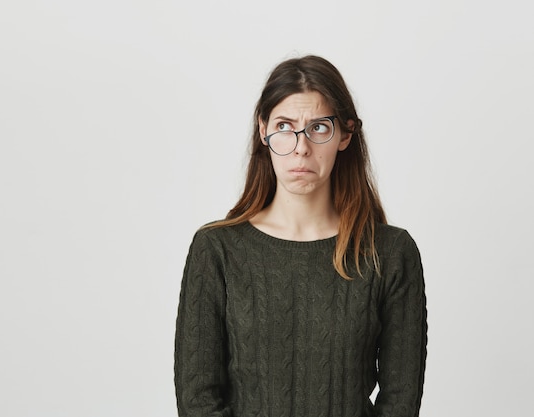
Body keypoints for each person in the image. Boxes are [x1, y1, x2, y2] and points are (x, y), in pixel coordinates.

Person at [174, 55, 427, 417]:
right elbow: (197, 401)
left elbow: (400, 402)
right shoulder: (217, 250)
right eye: (284, 126)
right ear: (264, 131)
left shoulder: (389, 253)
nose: (301, 146)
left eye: (319, 128)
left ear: (345, 134)